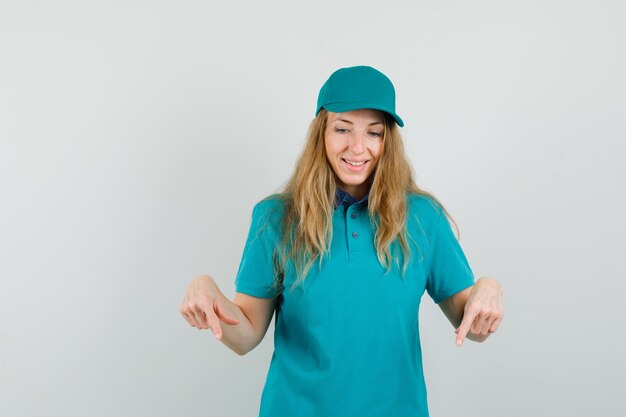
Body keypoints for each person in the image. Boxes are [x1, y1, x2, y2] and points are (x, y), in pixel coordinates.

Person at [179, 65, 504, 417]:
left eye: (374, 133)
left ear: (388, 141)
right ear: (321, 133)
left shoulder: (423, 218)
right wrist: (209, 292)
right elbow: (245, 335)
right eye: (342, 129)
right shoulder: (276, 218)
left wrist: (488, 287)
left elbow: (472, 327)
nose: (357, 147)